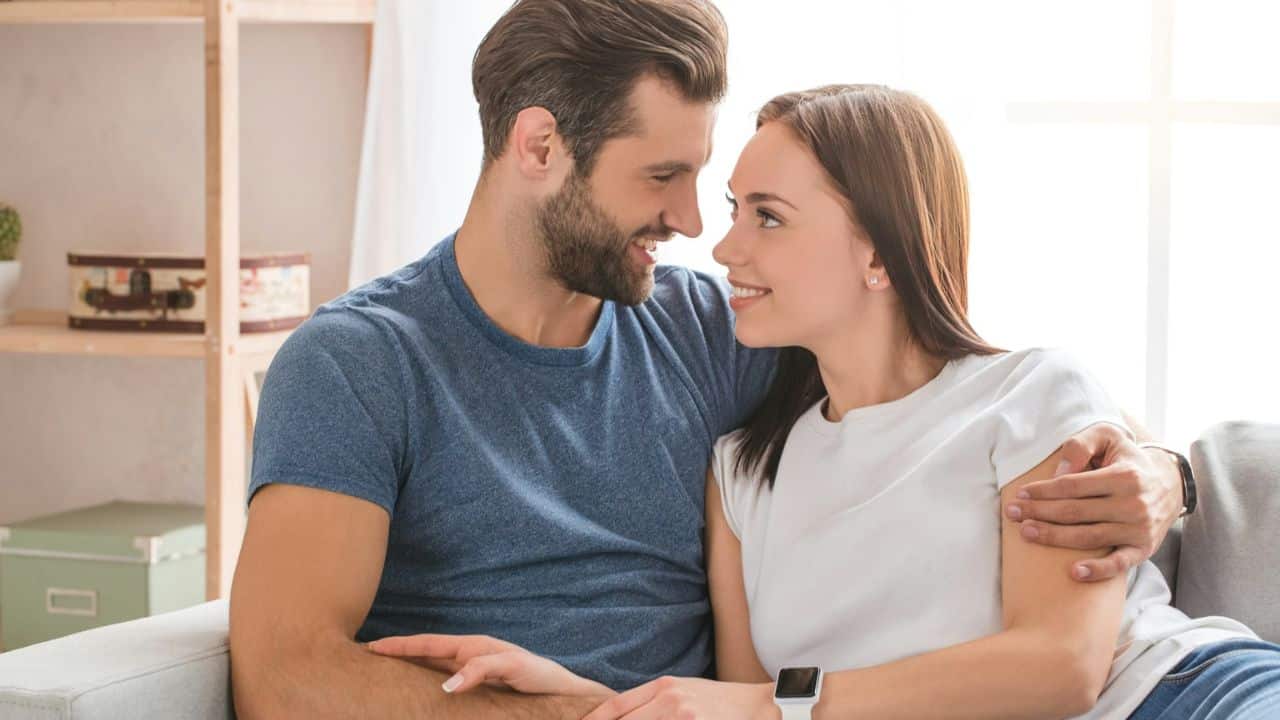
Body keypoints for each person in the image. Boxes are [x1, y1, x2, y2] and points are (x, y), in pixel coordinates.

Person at [229, 3, 1189, 718]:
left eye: (705, 181)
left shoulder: (702, 327)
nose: (692, 223)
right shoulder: (357, 366)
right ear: (538, 147)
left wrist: (1160, 472)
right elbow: (286, 674)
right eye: (662, 176)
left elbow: (945, 383)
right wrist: (594, 716)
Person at [391, 84, 1280, 720]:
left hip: (1181, 696)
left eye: (767, 217)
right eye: (735, 208)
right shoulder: (743, 471)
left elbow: (1060, 669)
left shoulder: (1031, 394)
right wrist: (587, 701)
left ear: (881, 255)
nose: (724, 246)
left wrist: (1169, 471)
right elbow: (752, 706)